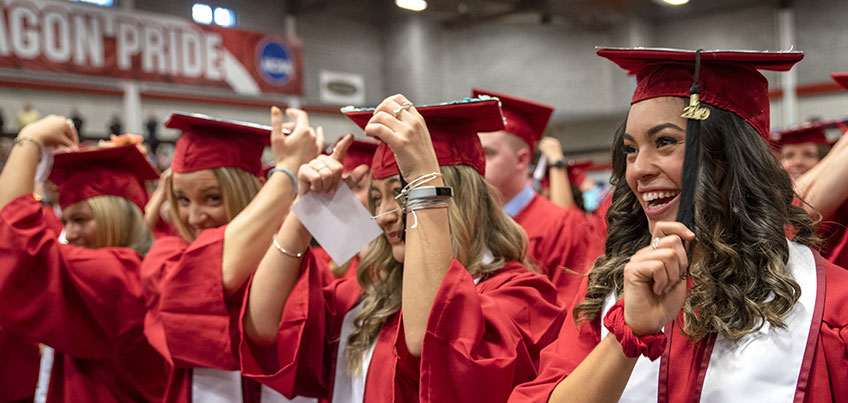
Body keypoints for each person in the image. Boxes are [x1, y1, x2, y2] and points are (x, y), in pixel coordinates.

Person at [511, 47, 848, 402]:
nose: (639, 169)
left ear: (730, 157)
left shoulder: (829, 305)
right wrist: (630, 334)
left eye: (665, 142)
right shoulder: (609, 294)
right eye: (630, 149)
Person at [240, 95, 564, 403]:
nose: (385, 215)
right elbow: (263, 326)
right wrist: (304, 210)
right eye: (378, 197)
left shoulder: (520, 296)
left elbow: (428, 341)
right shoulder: (369, 295)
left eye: (401, 192)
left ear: (456, 197)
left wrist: (423, 179)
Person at [140, 109, 321, 402]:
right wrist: (287, 171)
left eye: (212, 198)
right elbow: (216, 271)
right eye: (182, 200)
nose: (194, 216)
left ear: (248, 190)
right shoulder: (166, 260)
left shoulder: (293, 252)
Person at [0, 115, 168, 402]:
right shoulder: (143, 267)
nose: (69, 233)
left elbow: (15, 248)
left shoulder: (117, 275)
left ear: (114, 216)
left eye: (80, 220)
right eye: (66, 221)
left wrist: (29, 139)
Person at [473, 88, 603, 304]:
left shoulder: (561, 226)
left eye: (487, 153)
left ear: (522, 160)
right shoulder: (469, 221)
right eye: (474, 153)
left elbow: (569, 309)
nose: (477, 163)